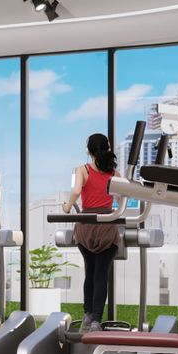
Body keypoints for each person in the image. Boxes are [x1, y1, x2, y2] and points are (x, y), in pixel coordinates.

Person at [61, 133, 121, 333]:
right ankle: (96, 321)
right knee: (101, 275)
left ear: (88, 150)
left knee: (91, 272)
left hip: (85, 226)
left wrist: (68, 206)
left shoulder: (83, 169)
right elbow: (121, 200)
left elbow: (77, 191)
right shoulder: (114, 174)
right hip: (107, 225)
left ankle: (87, 315)